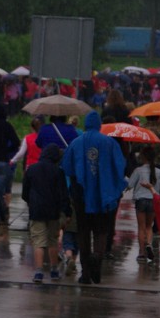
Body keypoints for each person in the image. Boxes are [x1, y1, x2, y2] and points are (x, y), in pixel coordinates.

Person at [60, 110, 127, 285]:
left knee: (83, 232)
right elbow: (120, 166)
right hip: (104, 196)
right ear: (99, 125)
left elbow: (67, 167)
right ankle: (97, 257)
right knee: (101, 231)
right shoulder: (110, 143)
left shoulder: (76, 143)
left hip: (81, 196)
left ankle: (85, 273)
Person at [21, 144, 69, 282]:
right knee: (53, 241)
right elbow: (63, 194)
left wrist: (31, 202)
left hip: (36, 210)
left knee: (38, 242)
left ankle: (38, 272)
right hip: (53, 211)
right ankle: (54, 271)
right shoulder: (58, 171)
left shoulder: (32, 169)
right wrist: (67, 211)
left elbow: (25, 192)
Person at [127, 146, 160, 263]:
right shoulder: (158, 171)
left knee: (141, 227)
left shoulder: (138, 170)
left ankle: (142, 253)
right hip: (153, 201)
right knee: (149, 226)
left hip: (140, 200)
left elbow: (130, 185)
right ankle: (148, 244)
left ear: (143, 157)